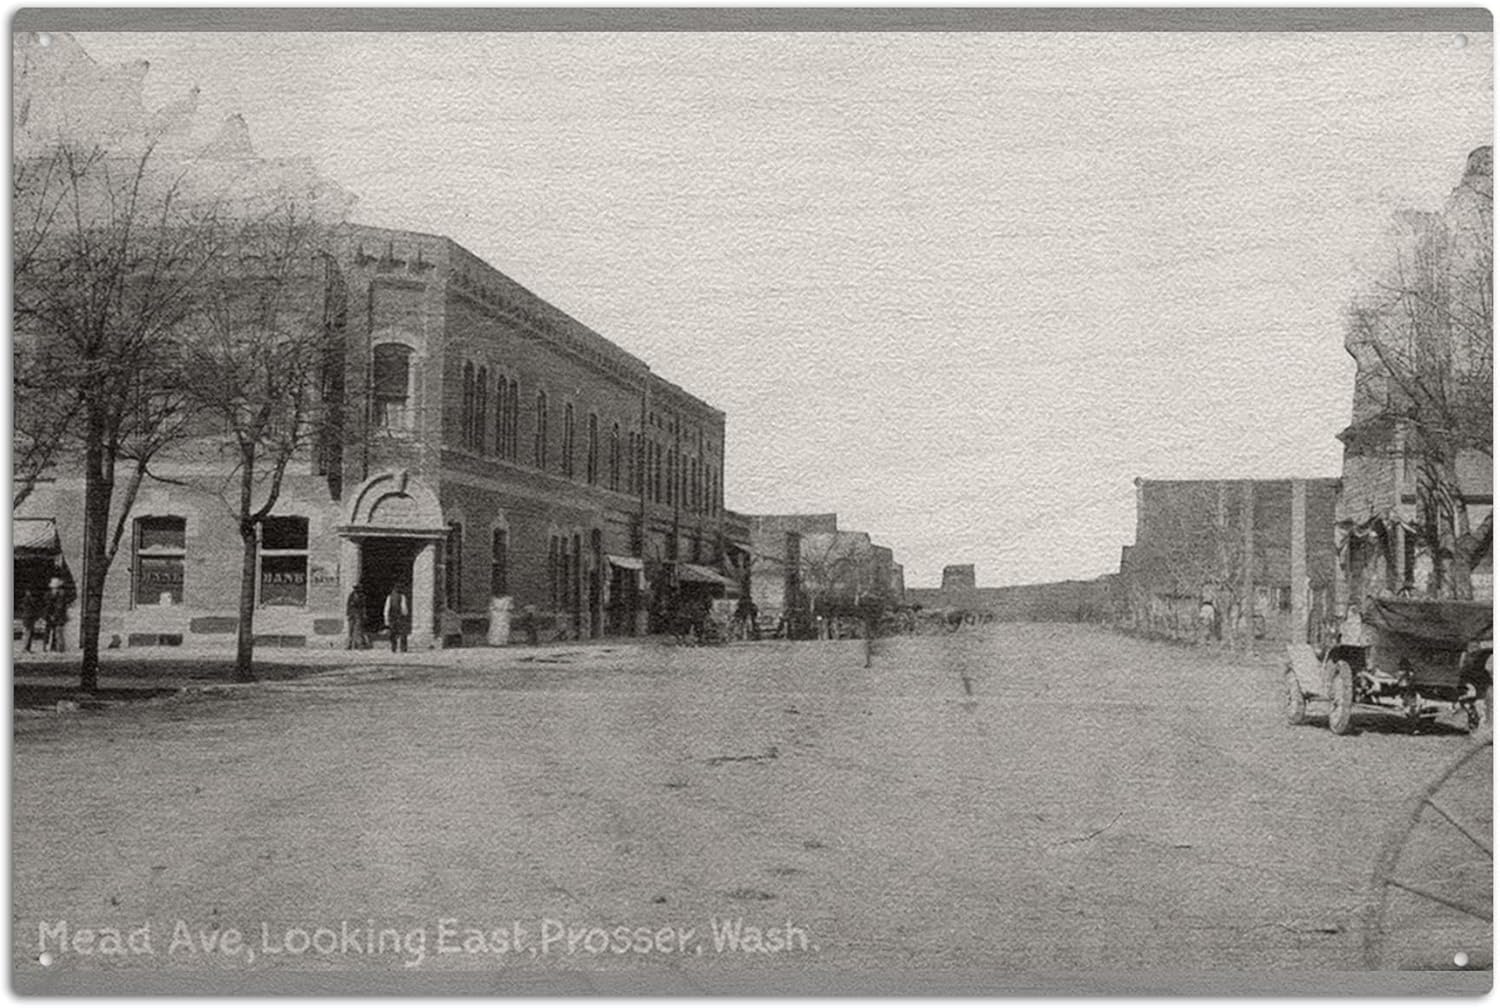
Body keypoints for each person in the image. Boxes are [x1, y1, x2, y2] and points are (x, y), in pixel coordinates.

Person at [43, 578, 70, 653]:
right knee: (49, 632)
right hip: (50, 616)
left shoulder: (61, 595)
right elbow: (47, 606)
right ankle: (48, 647)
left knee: (58, 632)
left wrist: (54, 616)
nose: (55, 590)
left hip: (58, 617)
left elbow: (60, 607)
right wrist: (49, 615)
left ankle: (59, 648)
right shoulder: (49, 595)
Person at [385, 584, 411, 653]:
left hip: (392, 617)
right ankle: (403, 648)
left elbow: (386, 609)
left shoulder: (389, 597)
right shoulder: (402, 596)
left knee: (393, 633)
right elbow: (404, 608)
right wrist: (405, 615)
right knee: (402, 633)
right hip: (400, 617)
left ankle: (394, 647)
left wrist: (386, 620)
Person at [18, 588, 43, 653]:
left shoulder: (27, 600)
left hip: (29, 619)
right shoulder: (27, 600)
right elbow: (33, 607)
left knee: (29, 634)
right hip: (28, 619)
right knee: (27, 634)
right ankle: (25, 648)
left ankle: (27, 648)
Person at [345, 583, 369, 650]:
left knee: (358, 630)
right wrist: (348, 613)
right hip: (352, 615)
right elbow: (348, 605)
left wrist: (364, 614)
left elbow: (363, 607)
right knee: (350, 631)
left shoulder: (362, 596)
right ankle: (349, 645)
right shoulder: (351, 595)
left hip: (358, 615)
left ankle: (359, 645)